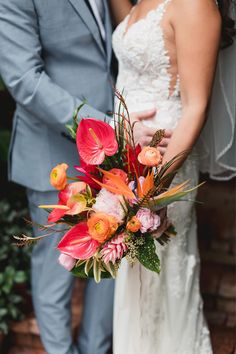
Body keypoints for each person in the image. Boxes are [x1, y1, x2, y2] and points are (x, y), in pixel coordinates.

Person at [0, 1, 171, 353]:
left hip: (115, 152)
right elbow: (25, 80)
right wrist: (104, 126)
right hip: (55, 153)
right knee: (55, 276)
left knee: (112, 259)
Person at [108, 0, 234, 353]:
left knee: (161, 279)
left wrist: (152, 191)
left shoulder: (195, 5)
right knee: (135, 282)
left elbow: (197, 107)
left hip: (162, 167)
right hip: (125, 164)